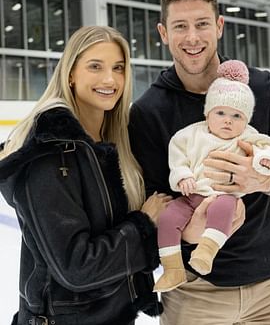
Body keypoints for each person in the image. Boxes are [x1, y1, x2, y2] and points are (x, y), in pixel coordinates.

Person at [128, 0, 270, 324]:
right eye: (180, 27)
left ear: (218, 25)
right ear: (163, 33)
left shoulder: (265, 89)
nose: (192, 38)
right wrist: (189, 232)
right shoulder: (149, 111)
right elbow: (154, 201)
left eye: (202, 24)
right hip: (193, 292)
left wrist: (264, 180)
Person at [0, 26, 171, 325]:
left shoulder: (111, 145)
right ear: (70, 74)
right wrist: (143, 224)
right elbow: (76, 266)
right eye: (95, 66)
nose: (110, 79)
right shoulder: (50, 152)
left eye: (118, 68)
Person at [154, 59, 270, 292]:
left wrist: (265, 161)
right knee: (169, 217)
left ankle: (207, 251)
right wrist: (182, 176)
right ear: (207, 113)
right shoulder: (191, 134)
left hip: (224, 195)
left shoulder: (248, 136)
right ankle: (172, 269)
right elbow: (177, 154)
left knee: (223, 209)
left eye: (236, 116)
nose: (227, 120)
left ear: (247, 120)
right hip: (191, 196)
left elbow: (268, 147)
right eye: (220, 112)